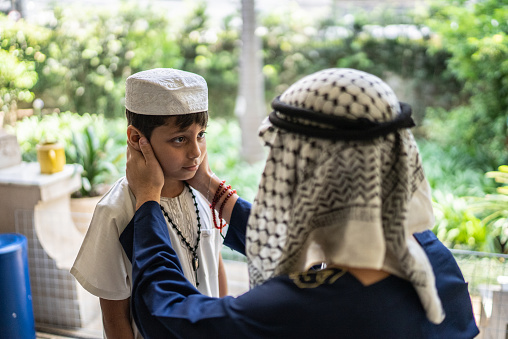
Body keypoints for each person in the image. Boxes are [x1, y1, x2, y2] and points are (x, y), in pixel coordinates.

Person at [121, 68, 479, 338]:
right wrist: (210, 187)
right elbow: (287, 242)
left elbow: (170, 313)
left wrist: (148, 201)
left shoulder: (304, 307)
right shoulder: (434, 260)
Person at [71, 68, 228, 339]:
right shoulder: (116, 211)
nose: (196, 153)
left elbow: (216, 262)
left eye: (200, 135)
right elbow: (114, 316)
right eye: (179, 139)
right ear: (135, 138)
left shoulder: (204, 194)